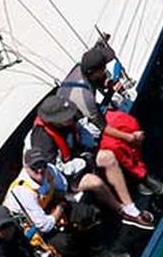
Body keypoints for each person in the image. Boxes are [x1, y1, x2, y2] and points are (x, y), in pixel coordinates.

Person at [5, 147, 128, 257]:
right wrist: (60, 209)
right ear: (26, 167)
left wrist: (60, 207)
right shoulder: (23, 191)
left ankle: (98, 255)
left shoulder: (49, 170)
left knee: (87, 213)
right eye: (35, 167)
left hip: (51, 209)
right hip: (33, 229)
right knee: (64, 244)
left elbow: (62, 188)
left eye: (42, 165)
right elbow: (44, 226)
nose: (40, 170)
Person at [29, 95, 154, 230]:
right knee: (95, 182)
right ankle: (123, 211)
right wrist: (82, 162)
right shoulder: (42, 139)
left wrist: (88, 145)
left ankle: (130, 206)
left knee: (108, 157)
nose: (71, 117)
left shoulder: (70, 114)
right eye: (66, 117)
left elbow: (85, 127)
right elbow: (55, 171)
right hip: (66, 176)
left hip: (82, 156)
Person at [58, 44, 163, 197]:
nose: (104, 71)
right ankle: (140, 177)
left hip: (91, 116)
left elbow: (97, 80)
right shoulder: (83, 97)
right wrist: (130, 137)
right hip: (78, 130)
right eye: (102, 69)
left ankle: (137, 162)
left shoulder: (82, 70)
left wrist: (108, 84)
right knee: (115, 143)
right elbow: (103, 127)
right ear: (91, 71)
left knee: (128, 123)